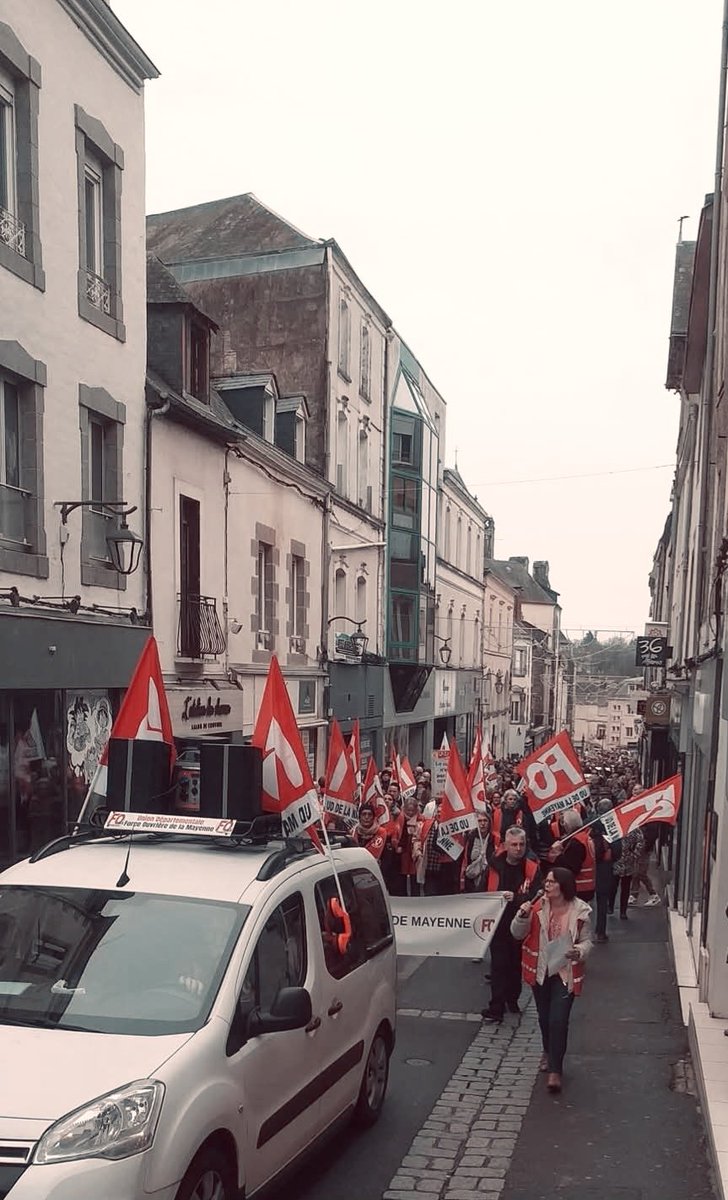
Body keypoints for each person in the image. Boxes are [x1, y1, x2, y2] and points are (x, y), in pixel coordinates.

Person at [511, 867, 592, 1093]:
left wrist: (579, 951)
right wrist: (521, 916)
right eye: (546, 881)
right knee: (545, 1018)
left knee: (559, 1020)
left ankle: (555, 1070)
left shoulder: (581, 911)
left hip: (565, 973)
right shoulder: (537, 907)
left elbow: (587, 941)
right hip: (541, 972)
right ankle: (547, 1050)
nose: (547, 885)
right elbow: (517, 934)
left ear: (563, 886)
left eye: (552, 882)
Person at [481, 827, 541, 1023]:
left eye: (521, 844)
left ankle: (512, 999)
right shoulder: (494, 866)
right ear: (506, 845)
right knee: (498, 965)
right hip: (497, 923)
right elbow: (481, 891)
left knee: (515, 964)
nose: (518, 848)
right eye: (514, 845)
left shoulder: (531, 868)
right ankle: (496, 1007)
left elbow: (537, 896)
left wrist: (517, 898)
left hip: (520, 924)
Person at [592, 798, 621, 942]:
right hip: (604, 868)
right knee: (602, 901)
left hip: (588, 868)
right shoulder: (613, 826)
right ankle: (600, 931)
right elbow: (617, 851)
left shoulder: (589, 823)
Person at [612, 824, 644, 918]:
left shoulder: (634, 828)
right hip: (616, 863)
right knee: (613, 886)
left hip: (628, 864)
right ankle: (610, 905)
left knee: (625, 888)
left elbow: (640, 841)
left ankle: (623, 911)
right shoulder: (615, 826)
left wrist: (634, 854)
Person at [462, 809, 492, 892]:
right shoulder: (471, 837)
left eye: (485, 821)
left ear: (489, 823)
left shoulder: (494, 838)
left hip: (488, 879)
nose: (482, 824)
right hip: (472, 878)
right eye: (480, 821)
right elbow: (466, 858)